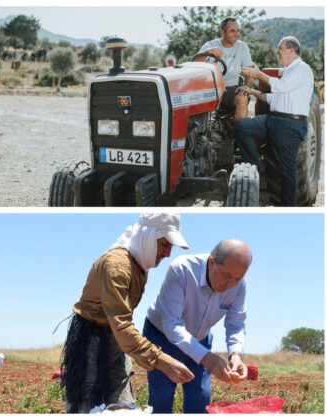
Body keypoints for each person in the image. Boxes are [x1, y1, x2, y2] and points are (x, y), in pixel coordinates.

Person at [60, 213, 195, 413]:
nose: (168, 253)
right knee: (85, 406)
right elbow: (122, 324)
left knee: (122, 406)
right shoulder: (117, 266)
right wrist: (163, 362)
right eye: (165, 244)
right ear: (148, 237)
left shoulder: (139, 264)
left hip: (116, 339)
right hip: (90, 341)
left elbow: (120, 326)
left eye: (171, 247)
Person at [144, 239, 251, 413]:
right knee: (162, 398)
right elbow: (172, 324)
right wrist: (207, 358)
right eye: (227, 276)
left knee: (201, 398)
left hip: (200, 339)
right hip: (161, 336)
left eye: (238, 278)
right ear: (211, 262)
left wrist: (236, 355)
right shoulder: (182, 269)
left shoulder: (239, 285)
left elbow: (236, 323)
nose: (231, 284)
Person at [234, 36, 314, 206]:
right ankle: (257, 170)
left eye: (280, 48)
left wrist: (258, 74)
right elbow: (273, 98)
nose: (277, 51)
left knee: (287, 171)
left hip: (290, 125)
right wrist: (252, 91)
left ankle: (288, 207)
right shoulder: (290, 71)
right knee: (242, 126)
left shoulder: (302, 69)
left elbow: (280, 87)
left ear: (291, 50)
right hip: (274, 120)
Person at [193, 17, 253, 121]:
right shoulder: (211, 45)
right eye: (232, 31)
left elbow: (249, 73)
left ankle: (238, 134)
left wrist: (246, 87)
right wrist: (207, 52)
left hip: (231, 89)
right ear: (222, 32)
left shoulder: (243, 47)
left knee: (243, 99)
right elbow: (194, 63)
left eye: (238, 31)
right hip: (211, 89)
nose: (236, 34)